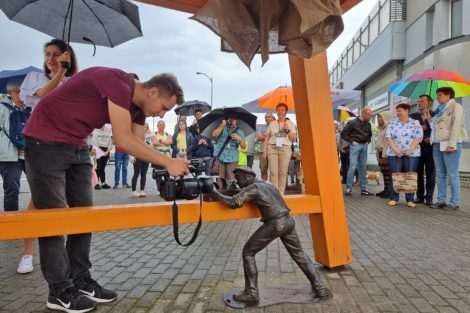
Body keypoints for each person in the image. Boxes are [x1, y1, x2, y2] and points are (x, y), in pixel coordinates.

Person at [23, 66, 188, 313]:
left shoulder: (139, 109)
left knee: (84, 216)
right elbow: (122, 139)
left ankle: (80, 280)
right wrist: (168, 161)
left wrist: (169, 164)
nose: (162, 115)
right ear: (153, 92)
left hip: (77, 143)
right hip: (45, 139)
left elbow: (137, 144)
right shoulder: (117, 83)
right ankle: (59, 290)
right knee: (53, 217)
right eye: (165, 107)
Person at [212, 166, 333, 303]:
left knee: (248, 252)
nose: (237, 182)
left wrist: (213, 192)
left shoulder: (252, 188)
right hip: (288, 220)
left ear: (246, 177)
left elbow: (233, 203)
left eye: (238, 178)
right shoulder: (266, 183)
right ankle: (320, 289)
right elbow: (244, 193)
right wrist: (232, 189)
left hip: (276, 223)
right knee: (299, 254)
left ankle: (251, 292)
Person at [17, 39, 78, 275]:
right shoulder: (34, 78)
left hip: (68, 144)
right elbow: (42, 95)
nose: (51, 59)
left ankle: (69, 260)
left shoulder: (74, 82)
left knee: (68, 201)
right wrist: (60, 73)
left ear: (68, 57)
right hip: (42, 144)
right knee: (38, 199)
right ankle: (27, 253)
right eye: (48, 54)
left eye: (57, 55)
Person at [0, 80, 33, 274]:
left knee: (39, 188)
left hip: (29, 154)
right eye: (18, 91)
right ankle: (12, 225)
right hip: (9, 155)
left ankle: (38, 222)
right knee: (11, 189)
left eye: (23, 90)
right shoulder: (2, 107)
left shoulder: (32, 106)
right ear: (10, 92)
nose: (21, 94)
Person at [430, 87, 468, 210]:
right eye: (437, 95)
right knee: (440, 174)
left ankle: (454, 202)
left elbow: (456, 125)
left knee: (452, 174)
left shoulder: (456, 106)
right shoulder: (438, 110)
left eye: (440, 94)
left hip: (450, 143)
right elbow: (435, 127)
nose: (438, 97)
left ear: (448, 95)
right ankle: (441, 200)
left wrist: (452, 144)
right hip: (437, 144)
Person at [386, 103, 423, 207]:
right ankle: (394, 198)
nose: (397, 113)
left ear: (407, 111)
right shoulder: (392, 123)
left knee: (409, 175)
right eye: (397, 111)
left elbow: (418, 137)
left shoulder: (415, 123)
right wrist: (396, 150)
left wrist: (410, 150)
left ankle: (410, 199)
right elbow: (388, 137)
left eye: (400, 110)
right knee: (395, 174)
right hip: (394, 153)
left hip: (412, 154)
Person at [264, 103, 297, 195]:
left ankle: (281, 193)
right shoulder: (272, 123)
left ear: (286, 112)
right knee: (273, 171)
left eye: (282, 110)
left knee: (283, 171)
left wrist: (288, 130)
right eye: (278, 110)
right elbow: (267, 138)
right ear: (276, 112)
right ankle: (275, 193)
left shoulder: (290, 123)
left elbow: (293, 139)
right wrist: (265, 151)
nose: (280, 112)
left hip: (285, 148)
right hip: (272, 148)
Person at [341, 107, 374, 197]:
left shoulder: (368, 124)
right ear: (363, 114)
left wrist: (368, 141)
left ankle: (364, 189)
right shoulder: (352, 123)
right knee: (352, 167)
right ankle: (349, 189)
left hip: (364, 146)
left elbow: (370, 135)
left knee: (363, 168)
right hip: (355, 146)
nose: (370, 117)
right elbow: (343, 134)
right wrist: (352, 142)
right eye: (369, 115)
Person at [410, 95, 435, 205]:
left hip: (431, 148)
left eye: (422, 101)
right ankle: (419, 196)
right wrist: (421, 127)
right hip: (417, 148)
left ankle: (429, 197)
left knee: (430, 173)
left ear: (429, 103)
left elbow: (439, 130)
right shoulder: (412, 116)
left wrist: (432, 138)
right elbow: (409, 131)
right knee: (418, 172)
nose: (419, 103)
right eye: (418, 101)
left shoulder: (435, 115)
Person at [212, 112, 246, 190]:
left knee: (232, 179)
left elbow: (244, 147)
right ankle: (219, 194)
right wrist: (222, 125)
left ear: (237, 121)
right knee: (219, 179)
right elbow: (214, 135)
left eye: (233, 120)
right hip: (220, 156)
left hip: (232, 158)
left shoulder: (240, 131)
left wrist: (239, 139)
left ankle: (231, 195)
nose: (231, 121)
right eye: (229, 120)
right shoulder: (223, 127)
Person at [130, 123, 152, 198]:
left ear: (147, 128)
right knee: (136, 173)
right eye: (143, 126)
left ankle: (142, 190)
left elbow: (151, 147)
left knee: (144, 174)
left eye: (146, 126)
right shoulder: (135, 136)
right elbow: (131, 146)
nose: (144, 127)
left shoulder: (149, 136)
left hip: (146, 157)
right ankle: (133, 191)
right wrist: (132, 156)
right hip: (137, 155)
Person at [375, 111, 392, 198]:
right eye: (378, 117)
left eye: (381, 117)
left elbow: (387, 143)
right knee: (384, 173)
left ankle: (388, 191)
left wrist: (384, 155)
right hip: (381, 153)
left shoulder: (388, 127)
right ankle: (386, 189)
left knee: (387, 173)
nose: (379, 119)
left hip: (385, 153)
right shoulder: (382, 128)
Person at [255, 112, 275, 181]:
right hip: (262, 151)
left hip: (274, 151)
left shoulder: (276, 126)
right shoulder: (261, 127)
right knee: (263, 171)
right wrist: (270, 136)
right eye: (265, 117)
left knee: (273, 171)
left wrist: (265, 135)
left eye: (269, 117)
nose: (267, 118)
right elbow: (259, 137)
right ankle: (265, 186)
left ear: (273, 118)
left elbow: (276, 137)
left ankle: (273, 187)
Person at [92, 125, 113, 189]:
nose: (102, 126)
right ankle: (96, 184)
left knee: (102, 168)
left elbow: (110, 144)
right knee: (97, 168)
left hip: (106, 151)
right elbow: (95, 144)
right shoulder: (95, 132)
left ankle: (103, 183)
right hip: (98, 150)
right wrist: (101, 152)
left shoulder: (108, 133)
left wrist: (107, 152)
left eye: (103, 125)